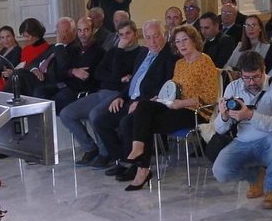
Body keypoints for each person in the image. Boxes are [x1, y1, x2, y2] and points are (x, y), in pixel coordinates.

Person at [113, 25, 220, 190]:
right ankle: (138, 150)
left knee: (145, 124)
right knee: (144, 106)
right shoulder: (180, 64)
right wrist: (161, 98)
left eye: (185, 40)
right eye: (178, 42)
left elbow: (209, 96)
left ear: (194, 40)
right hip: (174, 105)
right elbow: (174, 89)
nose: (182, 44)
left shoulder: (205, 61)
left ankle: (142, 169)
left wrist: (181, 103)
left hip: (195, 111)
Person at [211, 51, 272, 210]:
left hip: (271, 138)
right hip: (243, 141)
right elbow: (220, 129)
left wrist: (249, 115)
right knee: (220, 171)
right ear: (240, 74)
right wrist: (224, 117)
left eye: (256, 77)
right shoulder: (233, 87)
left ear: (264, 71)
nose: (251, 82)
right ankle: (256, 177)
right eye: (246, 78)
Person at [92, 20, 173, 169]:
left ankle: (133, 165)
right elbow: (133, 82)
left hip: (149, 105)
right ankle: (122, 160)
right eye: (148, 37)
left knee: (126, 123)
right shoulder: (143, 54)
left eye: (156, 36)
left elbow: (164, 87)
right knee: (101, 121)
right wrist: (120, 97)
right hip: (130, 100)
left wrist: (141, 102)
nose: (152, 41)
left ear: (165, 35)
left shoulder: (170, 57)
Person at [62, 19, 139, 166]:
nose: (124, 38)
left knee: (94, 115)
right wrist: (115, 76)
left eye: (128, 34)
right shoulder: (112, 51)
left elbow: (120, 76)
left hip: (119, 94)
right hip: (101, 91)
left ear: (135, 34)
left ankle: (106, 153)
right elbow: (98, 73)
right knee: (67, 114)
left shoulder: (139, 52)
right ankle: (90, 148)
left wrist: (120, 51)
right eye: (121, 34)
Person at [40, 15, 105, 111]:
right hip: (67, 86)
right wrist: (73, 71)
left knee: (49, 106)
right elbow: (60, 72)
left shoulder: (99, 51)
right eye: (80, 30)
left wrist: (69, 72)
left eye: (86, 30)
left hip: (81, 91)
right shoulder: (75, 50)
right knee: (40, 93)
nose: (82, 34)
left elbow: (85, 77)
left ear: (93, 30)